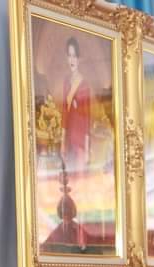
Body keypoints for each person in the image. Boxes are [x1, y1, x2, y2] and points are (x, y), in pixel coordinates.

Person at [61, 36, 91, 169]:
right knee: (68, 178)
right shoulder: (66, 82)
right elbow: (64, 113)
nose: (72, 60)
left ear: (79, 59)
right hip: (68, 140)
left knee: (79, 177)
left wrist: (87, 150)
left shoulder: (84, 85)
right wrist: (62, 143)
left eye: (74, 56)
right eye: (69, 55)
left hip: (80, 142)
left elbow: (87, 118)